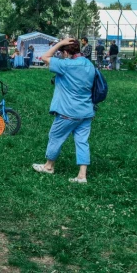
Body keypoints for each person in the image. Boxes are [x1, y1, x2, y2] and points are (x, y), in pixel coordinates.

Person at [32, 38, 96, 183]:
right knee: (82, 142)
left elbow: (44, 57)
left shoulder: (66, 65)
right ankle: (82, 175)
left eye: (62, 52)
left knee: (55, 137)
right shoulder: (89, 64)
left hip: (68, 111)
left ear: (66, 52)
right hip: (86, 111)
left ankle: (49, 167)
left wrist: (59, 44)